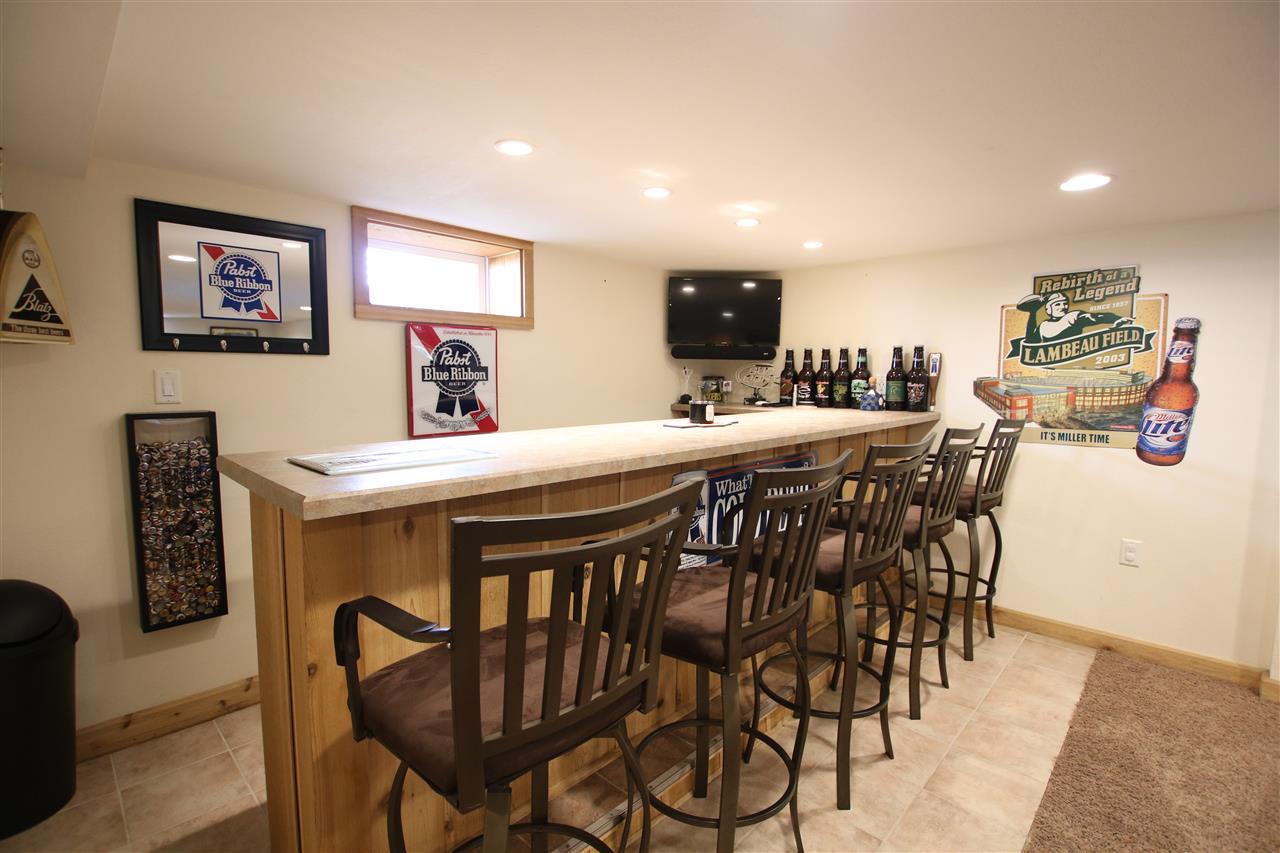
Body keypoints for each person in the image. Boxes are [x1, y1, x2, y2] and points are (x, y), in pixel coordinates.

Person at [1017, 291, 1126, 344]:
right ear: (1048, 309)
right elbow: (1031, 341)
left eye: (1065, 304)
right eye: (1057, 304)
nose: (1063, 307)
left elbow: (1095, 317)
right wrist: (1032, 313)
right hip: (1051, 368)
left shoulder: (1073, 317)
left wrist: (1116, 318)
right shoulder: (1044, 326)